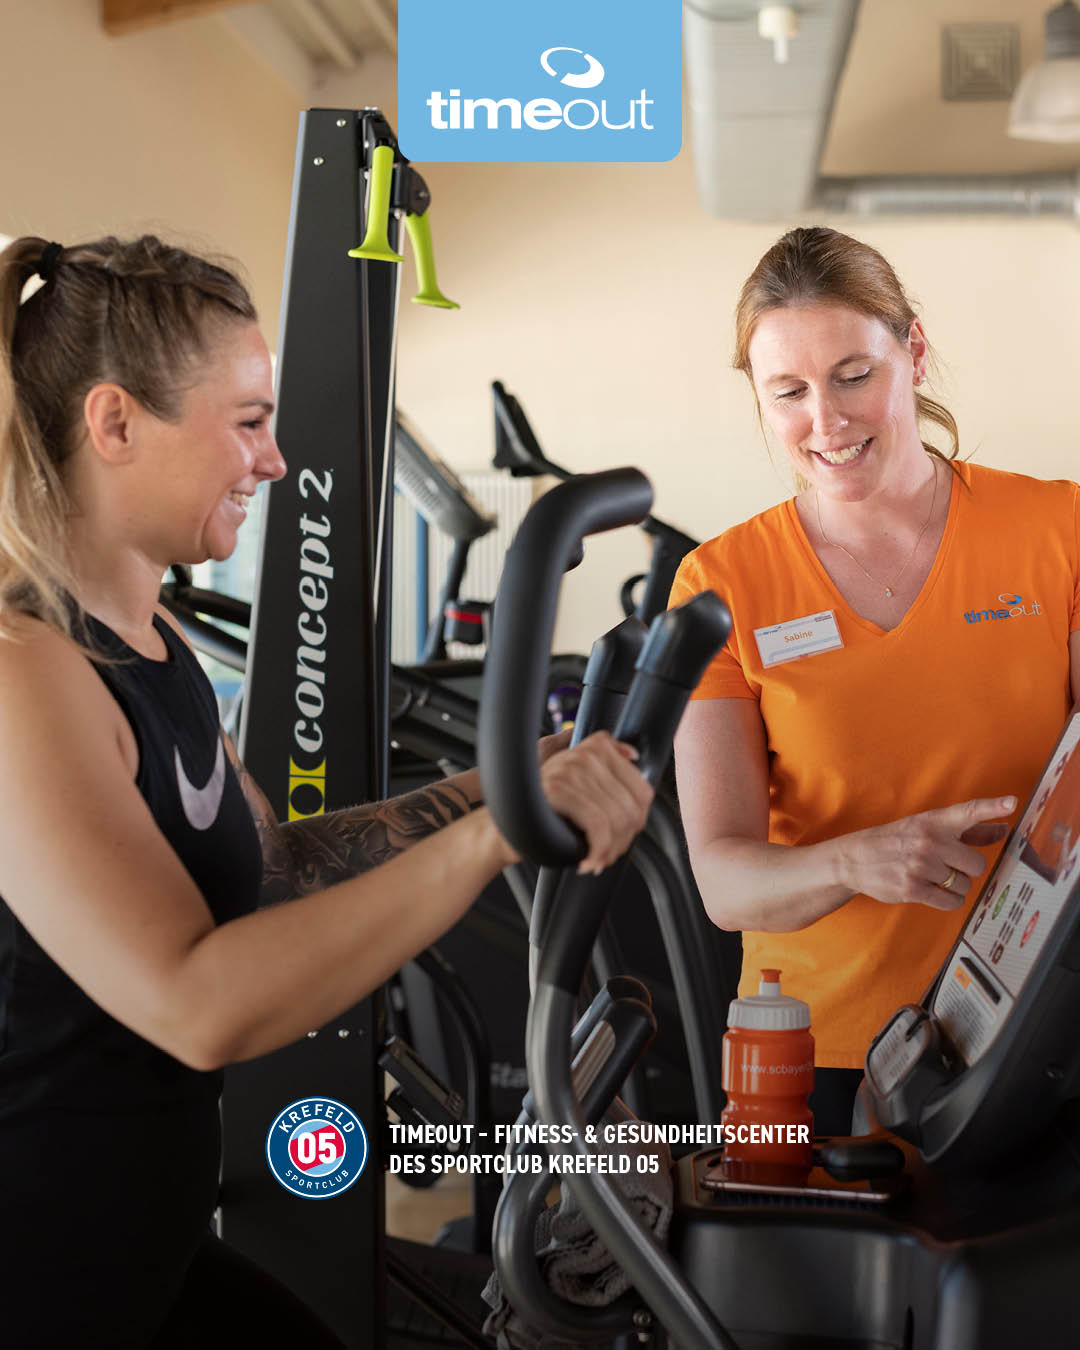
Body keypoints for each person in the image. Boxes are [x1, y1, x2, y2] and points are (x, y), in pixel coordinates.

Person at [0, 234, 655, 1349]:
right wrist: (492, 835)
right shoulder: (27, 674)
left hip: (143, 1240)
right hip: (40, 1270)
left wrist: (501, 781)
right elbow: (197, 1003)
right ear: (115, 423)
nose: (272, 461)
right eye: (248, 422)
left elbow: (278, 862)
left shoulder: (151, 643)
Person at [670, 226, 1080, 1133]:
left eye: (854, 375)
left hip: (1042, 1032)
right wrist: (857, 860)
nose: (826, 421)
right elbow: (725, 883)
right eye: (789, 391)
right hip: (817, 1052)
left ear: (914, 353)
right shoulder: (720, 584)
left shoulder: (1058, 530)